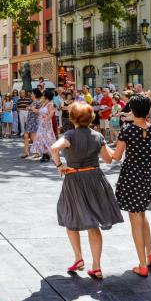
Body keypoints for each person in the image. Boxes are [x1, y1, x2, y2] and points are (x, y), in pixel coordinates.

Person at [50, 102, 123, 280]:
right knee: (94, 223)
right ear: (91, 118)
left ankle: (78, 258)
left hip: (74, 179)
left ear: (72, 118)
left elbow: (54, 148)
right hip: (95, 179)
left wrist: (60, 165)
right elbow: (108, 160)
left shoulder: (70, 135)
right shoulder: (97, 136)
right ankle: (96, 266)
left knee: (70, 217)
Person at [105, 95, 151, 277]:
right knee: (142, 214)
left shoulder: (128, 131)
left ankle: (142, 264)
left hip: (132, 176)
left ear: (132, 111)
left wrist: (101, 144)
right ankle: (150, 254)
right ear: (148, 112)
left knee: (135, 218)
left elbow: (115, 157)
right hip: (149, 176)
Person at [29, 89, 56, 162]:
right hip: (41, 124)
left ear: (47, 96)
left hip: (46, 125)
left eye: (44, 95)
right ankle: (45, 154)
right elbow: (39, 112)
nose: (42, 96)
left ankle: (46, 154)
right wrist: (32, 109)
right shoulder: (43, 104)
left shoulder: (50, 104)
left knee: (45, 138)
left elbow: (51, 114)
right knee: (41, 138)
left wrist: (45, 120)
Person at [23, 88, 42, 158]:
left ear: (35, 94)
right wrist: (29, 107)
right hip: (29, 121)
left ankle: (38, 152)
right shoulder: (32, 102)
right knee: (26, 136)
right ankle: (26, 152)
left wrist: (30, 108)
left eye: (32, 93)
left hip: (34, 121)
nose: (31, 95)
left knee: (33, 137)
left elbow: (39, 111)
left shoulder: (38, 102)